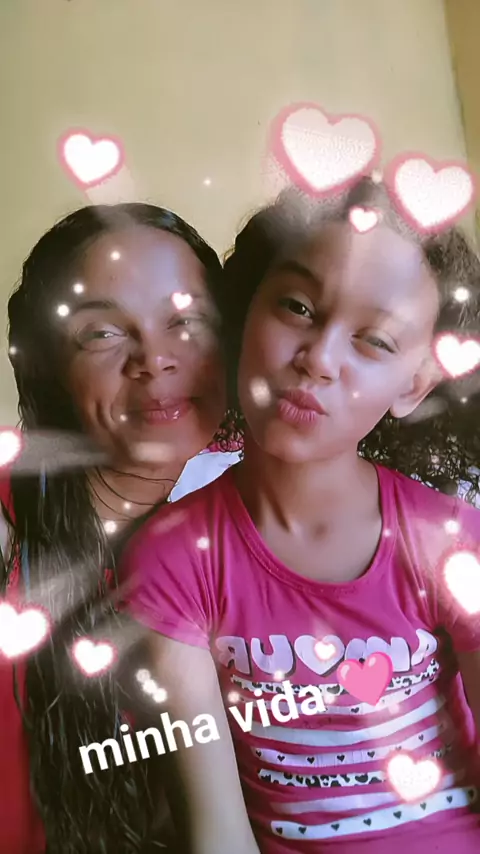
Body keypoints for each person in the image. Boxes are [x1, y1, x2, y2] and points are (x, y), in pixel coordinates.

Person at [121, 178, 480, 854]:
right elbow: (218, 830)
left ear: (415, 383)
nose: (318, 359)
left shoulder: (453, 542)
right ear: (243, 313)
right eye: (297, 307)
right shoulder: (171, 561)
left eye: (375, 341)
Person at [0, 202, 240, 854]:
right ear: (48, 364)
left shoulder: (262, 508)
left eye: (186, 320)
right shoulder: (11, 523)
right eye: (102, 332)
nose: (154, 359)